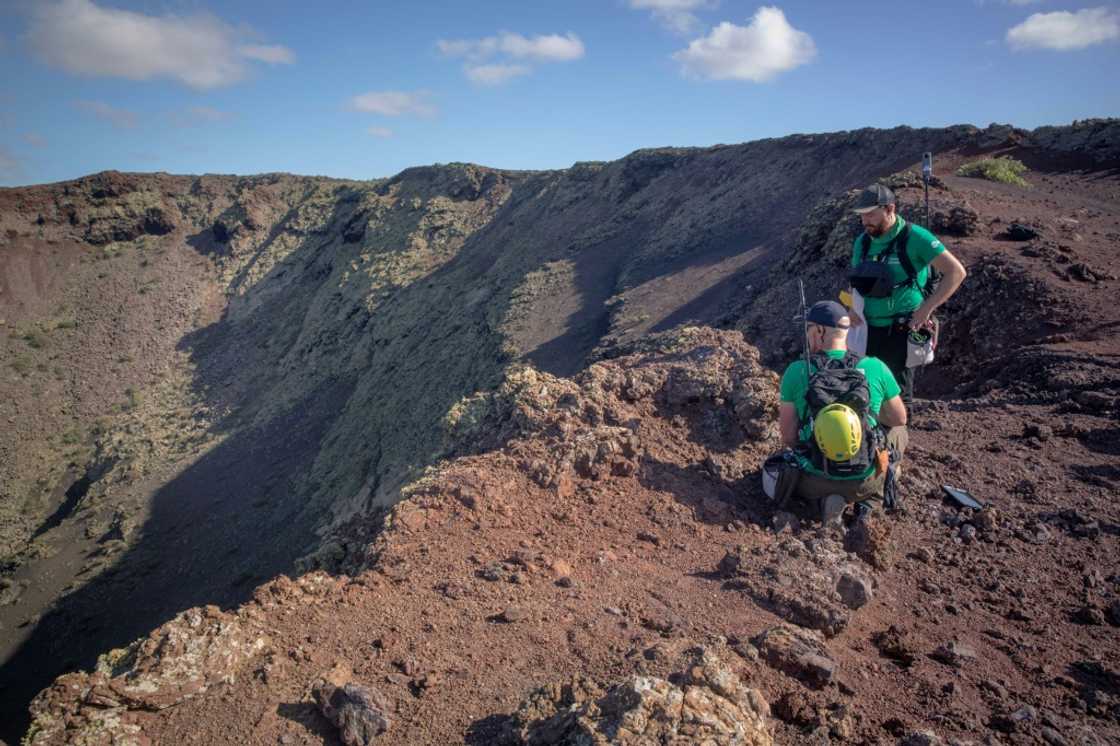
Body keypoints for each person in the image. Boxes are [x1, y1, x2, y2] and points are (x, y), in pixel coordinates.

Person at [775, 301, 908, 528]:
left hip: (813, 481)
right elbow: (899, 418)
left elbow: (788, 437)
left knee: (793, 459)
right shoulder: (875, 366)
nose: (807, 335)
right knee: (899, 431)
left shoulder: (796, 371)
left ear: (819, 331)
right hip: (865, 479)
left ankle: (822, 502)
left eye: (808, 328)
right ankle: (868, 504)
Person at [847, 184, 967, 403]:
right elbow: (856, 282)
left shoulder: (915, 238)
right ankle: (874, 437)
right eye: (862, 216)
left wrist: (926, 309)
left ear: (890, 209)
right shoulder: (862, 243)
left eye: (871, 214)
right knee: (868, 392)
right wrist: (852, 309)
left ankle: (897, 437)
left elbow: (956, 272)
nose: (865, 221)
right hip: (868, 331)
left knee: (898, 397)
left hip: (902, 330)